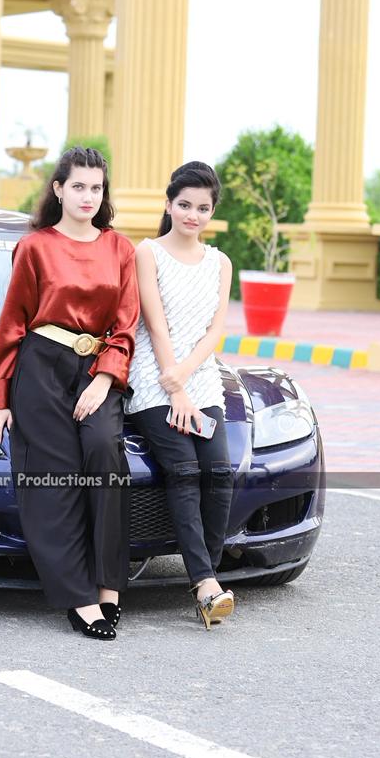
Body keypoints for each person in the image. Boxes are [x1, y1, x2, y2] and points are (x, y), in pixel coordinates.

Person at [0, 146, 139, 641]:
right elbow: (12, 323)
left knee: (104, 453)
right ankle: (80, 599)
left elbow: (126, 325)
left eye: (97, 188)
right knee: (55, 477)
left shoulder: (120, 249)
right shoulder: (34, 248)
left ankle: (109, 586)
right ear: (59, 190)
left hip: (98, 368)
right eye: (79, 187)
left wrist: (104, 378)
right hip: (41, 368)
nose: (88, 196)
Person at [125, 161, 236, 630]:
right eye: (185, 205)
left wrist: (187, 378)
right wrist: (173, 383)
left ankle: (205, 577)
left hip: (200, 376)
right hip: (154, 376)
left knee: (220, 474)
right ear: (168, 204)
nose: (193, 215)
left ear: (211, 212)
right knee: (185, 471)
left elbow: (216, 330)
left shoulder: (220, 262)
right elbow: (155, 323)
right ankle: (207, 585)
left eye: (202, 208)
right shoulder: (147, 252)